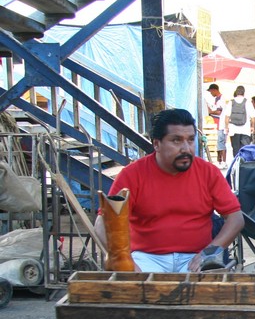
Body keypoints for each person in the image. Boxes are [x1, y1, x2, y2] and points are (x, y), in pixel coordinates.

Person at [95, 109, 244, 273]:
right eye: (176, 141)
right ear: (157, 144)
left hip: (196, 256)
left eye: (190, 140)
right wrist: (123, 258)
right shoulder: (132, 175)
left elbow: (236, 219)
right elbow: (102, 223)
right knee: (137, 291)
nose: (186, 148)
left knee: (203, 293)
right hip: (146, 257)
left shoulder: (208, 172)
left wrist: (210, 251)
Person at [223, 85, 255, 157]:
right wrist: (252, 127)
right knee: (245, 149)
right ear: (243, 93)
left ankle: (236, 163)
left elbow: (226, 117)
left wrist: (227, 127)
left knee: (235, 149)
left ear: (236, 92)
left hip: (233, 130)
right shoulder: (247, 102)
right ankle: (244, 164)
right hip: (245, 130)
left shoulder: (231, 102)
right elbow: (253, 117)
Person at [205, 84, 226, 165]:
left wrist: (210, 111)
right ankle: (219, 161)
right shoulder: (216, 99)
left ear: (214, 90)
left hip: (220, 124)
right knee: (218, 143)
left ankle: (222, 161)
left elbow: (219, 111)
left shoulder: (221, 99)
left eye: (211, 91)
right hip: (216, 123)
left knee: (220, 143)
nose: (211, 93)